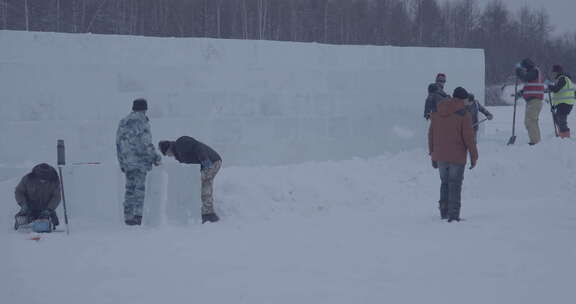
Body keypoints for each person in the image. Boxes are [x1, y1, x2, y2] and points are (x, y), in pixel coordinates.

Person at [428, 87, 478, 222]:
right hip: (457, 156)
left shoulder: (437, 112)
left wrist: (432, 153)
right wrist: (474, 157)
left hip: (440, 155)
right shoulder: (463, 114)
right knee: (455, 184)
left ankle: (444, 213)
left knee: (444, 183)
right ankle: (454, 215)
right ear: (462, 99)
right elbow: (469, 138)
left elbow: (431, 135)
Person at [116, 98, 161, 226]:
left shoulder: (123, 122)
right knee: (139, 189)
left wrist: (121, 162)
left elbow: (118, 143)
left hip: (127, 162)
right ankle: (138, 216)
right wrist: (155, 158)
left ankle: (128, 216)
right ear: (144, 109)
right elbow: (145, 142)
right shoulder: (141, 121)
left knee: (129, 189)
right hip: (140, 161)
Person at [158, 136, 222, 224]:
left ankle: (209, 214)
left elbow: (197, 147)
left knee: (204, 184)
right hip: (207, 164)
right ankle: (202, 211)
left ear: (168, 149)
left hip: (212, 162)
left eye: (166, 154)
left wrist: (205, 160)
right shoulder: (179, 154)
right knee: (197, 185)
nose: (169, 156)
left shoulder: (181, 143)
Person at [14, 163, 61, 230]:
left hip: (46, 209)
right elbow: (19, 191)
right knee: (21, 223)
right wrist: (23, 204)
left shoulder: (54, 181)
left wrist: (49, 209)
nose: (43, 180)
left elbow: (56, 197)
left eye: (45, 179)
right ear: (36, 175)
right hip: (29, 207)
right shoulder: (28, 178)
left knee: (45, 226)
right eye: (41, 178)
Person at [515, 58, 545, 145]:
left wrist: (518, 71)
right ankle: (535, 140)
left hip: (535, 101)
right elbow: (529, 86)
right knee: (529, 121)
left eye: (524, 67)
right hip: (532, 101)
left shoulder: (534, 71)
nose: (524, 69)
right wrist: (520, 93)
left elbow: (525, 78)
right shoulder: (532, 73)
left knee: (530, 121)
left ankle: (535, 142)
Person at [547, 64, 576, 138]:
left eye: (554, 73)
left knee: (561, 119)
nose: (553, 74)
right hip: (563, 103)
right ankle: (562, 134)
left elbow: (557, 89)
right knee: (557, 118)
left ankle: (565, 136)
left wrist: (549, 86)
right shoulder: (561, 79)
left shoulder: (563, 79)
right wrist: (554, 106)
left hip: (565, 103)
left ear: (558, 72)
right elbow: (559, 95)